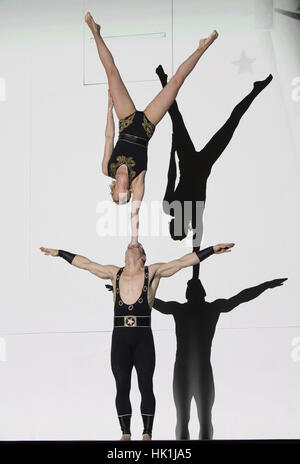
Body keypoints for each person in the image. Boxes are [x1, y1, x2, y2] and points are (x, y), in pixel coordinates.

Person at [40, 241, 234, 440]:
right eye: (131, 245)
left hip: (143, 338)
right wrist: (59, 253)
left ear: (143, 257)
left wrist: (211, 250)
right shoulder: (114, 273)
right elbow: (86, 264)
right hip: (120, 339)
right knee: (122, 385)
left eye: (138, 246)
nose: (133, 244)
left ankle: (147, 433)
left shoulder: (153, 272)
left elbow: (183, 262)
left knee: (145, 385)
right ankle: (125, 432)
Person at [85, 12, 219, 246]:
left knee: (112, 73)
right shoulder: (138, 182)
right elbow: (135, 213)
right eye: (126, 198)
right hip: (146, 125)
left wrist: (108, 108)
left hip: (125, 121)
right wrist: (133, 242)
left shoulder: (106, 168)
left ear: (114, 191)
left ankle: (94, 31)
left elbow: (109, 136)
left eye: (120, 196)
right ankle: (202, 48)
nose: (125, 194)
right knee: (176, 82)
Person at [153, 276, 287, 440]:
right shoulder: (209, 308)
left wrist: (127, 290)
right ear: (203, 293)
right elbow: (241, 297)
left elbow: (151, 301)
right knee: (199, 419)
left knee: (187, 419)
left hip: (184, 371)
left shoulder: (181, 309)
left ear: (188, 294)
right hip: (199, 370)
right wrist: (265, 285)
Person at [155, 64, 273, 250]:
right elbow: (170, 175)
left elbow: (196, 249)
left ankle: (164, 81)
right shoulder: (171, 208)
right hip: (191, 162)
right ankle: (163, 80)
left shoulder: (189, 214)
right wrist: (173, 147)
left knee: (230, 122)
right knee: (179, 116)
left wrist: (173, 147)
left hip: (199, 164)